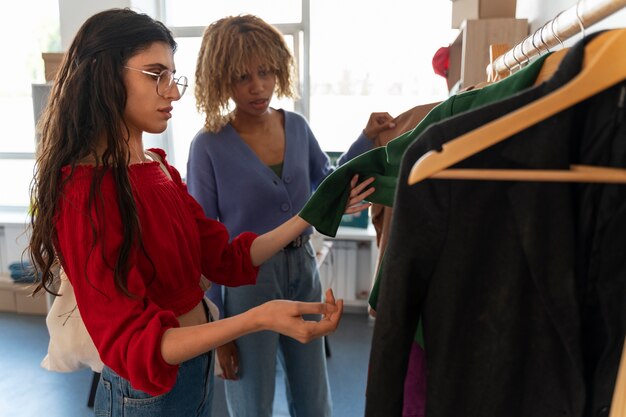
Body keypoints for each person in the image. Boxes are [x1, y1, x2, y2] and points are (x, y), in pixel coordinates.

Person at [28, 9, 374, 417]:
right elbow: (133, 343)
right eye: (156, 75)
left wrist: (309, 215)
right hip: (148, 393)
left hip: (194, 369)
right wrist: (255, 318)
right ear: (105, 75)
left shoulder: (158, 168)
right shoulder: (85, 193)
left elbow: (226, 257)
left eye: (172, 77)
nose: (173, 92)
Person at [187, 14, 396, 417]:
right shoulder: (208, 146)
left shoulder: (296, 127)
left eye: (265, 72)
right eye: (242, 77)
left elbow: (329, 183)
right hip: (247, 282)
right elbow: (204, 248)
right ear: (220, 79)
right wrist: (217, 334)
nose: (258, 86)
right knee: (252, 399)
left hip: (304, 268)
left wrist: (365, 138)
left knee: (314, 394)